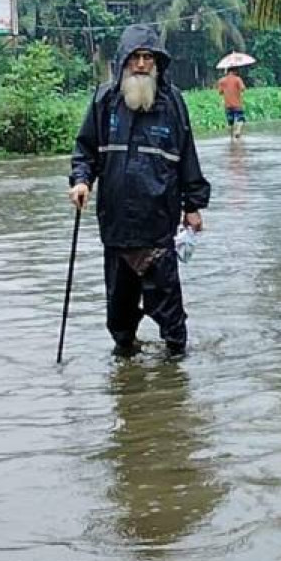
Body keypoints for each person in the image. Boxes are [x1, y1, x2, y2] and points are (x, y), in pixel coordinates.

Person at [69, 23, 211, 356]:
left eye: (149, 57)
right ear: (124, 61)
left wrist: (193, 205)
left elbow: (187, 156)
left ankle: (175, 380)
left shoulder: (172, 104)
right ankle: (127, 374)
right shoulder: (104, 102)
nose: (142, 64)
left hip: (158, 228)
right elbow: (85, 150)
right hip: (116, 227)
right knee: (119, 319)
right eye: (136, 57)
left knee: (172, 322)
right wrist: (81, 181)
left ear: (158, 62)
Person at [217, 67, 247, 139]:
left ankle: (231, 138)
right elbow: (243, 89)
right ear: (235, 71)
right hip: (237, 104)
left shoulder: (222, 80)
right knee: (241, 119)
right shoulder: (237, 79)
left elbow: (220, 92)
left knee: (230, 122)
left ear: (227, 71)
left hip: (227, 105)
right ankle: (238, 131)